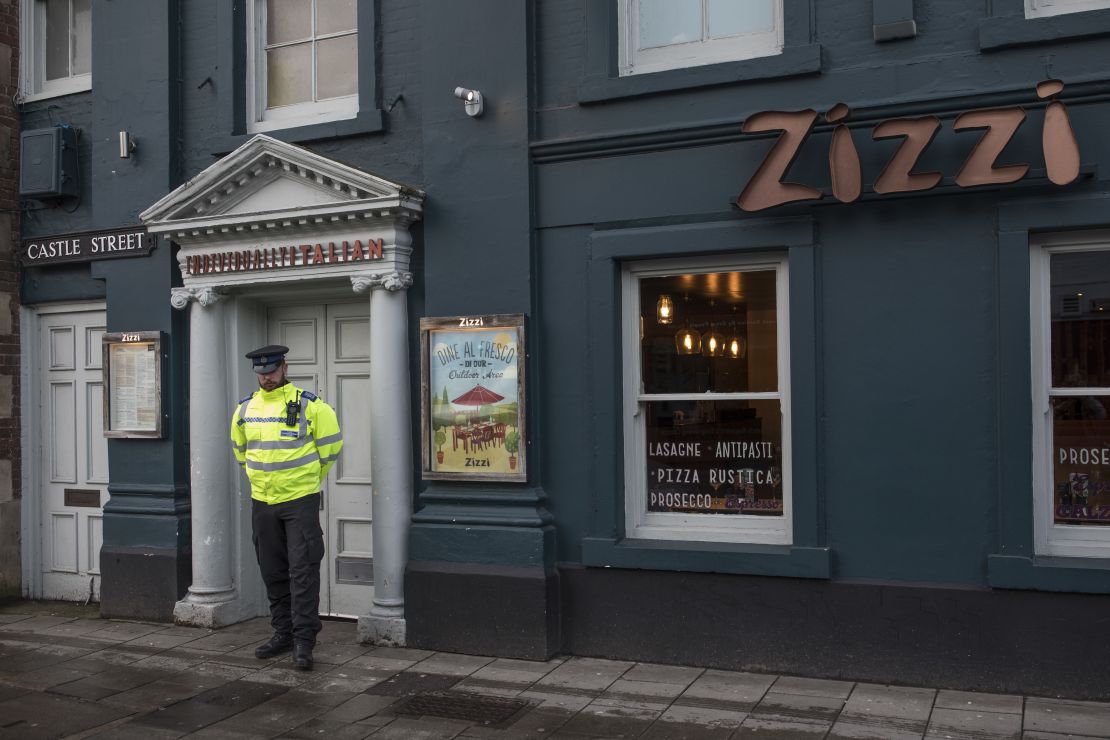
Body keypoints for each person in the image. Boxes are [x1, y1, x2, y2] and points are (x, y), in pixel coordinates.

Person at [230, 344, 343, 670]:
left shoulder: (312, 407)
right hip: (263, 502)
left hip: (299, 502)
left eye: (272, 371)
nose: (266, 377)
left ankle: (305, 642)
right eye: (261, 373)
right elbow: (241, 451)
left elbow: (331, 450)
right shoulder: (244, 410)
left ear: (285, 368)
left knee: (302, 571)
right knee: (273, 572)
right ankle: (284, 633)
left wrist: (307, 481)